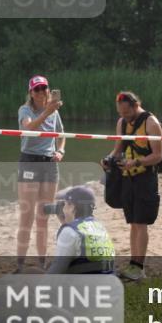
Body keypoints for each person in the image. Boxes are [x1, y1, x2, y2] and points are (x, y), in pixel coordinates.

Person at [102, 91, 162, 281]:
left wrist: (136, 163)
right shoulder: (121, 123)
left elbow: (158, 156)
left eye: (127, 113)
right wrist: (109, 159)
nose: (124, 117)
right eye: (121, 113)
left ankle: (139, 267)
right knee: (132, 223)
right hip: (126, 178)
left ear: (135, 105)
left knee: (141, 223)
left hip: (145, 179)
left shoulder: (151, 123)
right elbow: (118, 148)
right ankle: (132, 264)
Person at [16, 75, 65, 272]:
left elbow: (61, 134)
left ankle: (42, 263)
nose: (41, 92)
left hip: (49, 164)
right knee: (26, 216)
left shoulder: (53, 111)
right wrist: (47, 111)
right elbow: (29, 128)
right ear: (31, 93)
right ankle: (19, 264)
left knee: (43, 216)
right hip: (29, 162)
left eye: (44, 88)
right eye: (36, 89)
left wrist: (60, 150)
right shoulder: (25, 110)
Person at [46, 186, 115, 275]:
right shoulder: (100, 227)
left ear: (72, 206)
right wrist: (65, 223)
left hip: (87, 287)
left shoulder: (69, 231)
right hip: (109, 284)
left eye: (65, 204)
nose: (63, 209)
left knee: (31, 272)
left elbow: (57, 271)